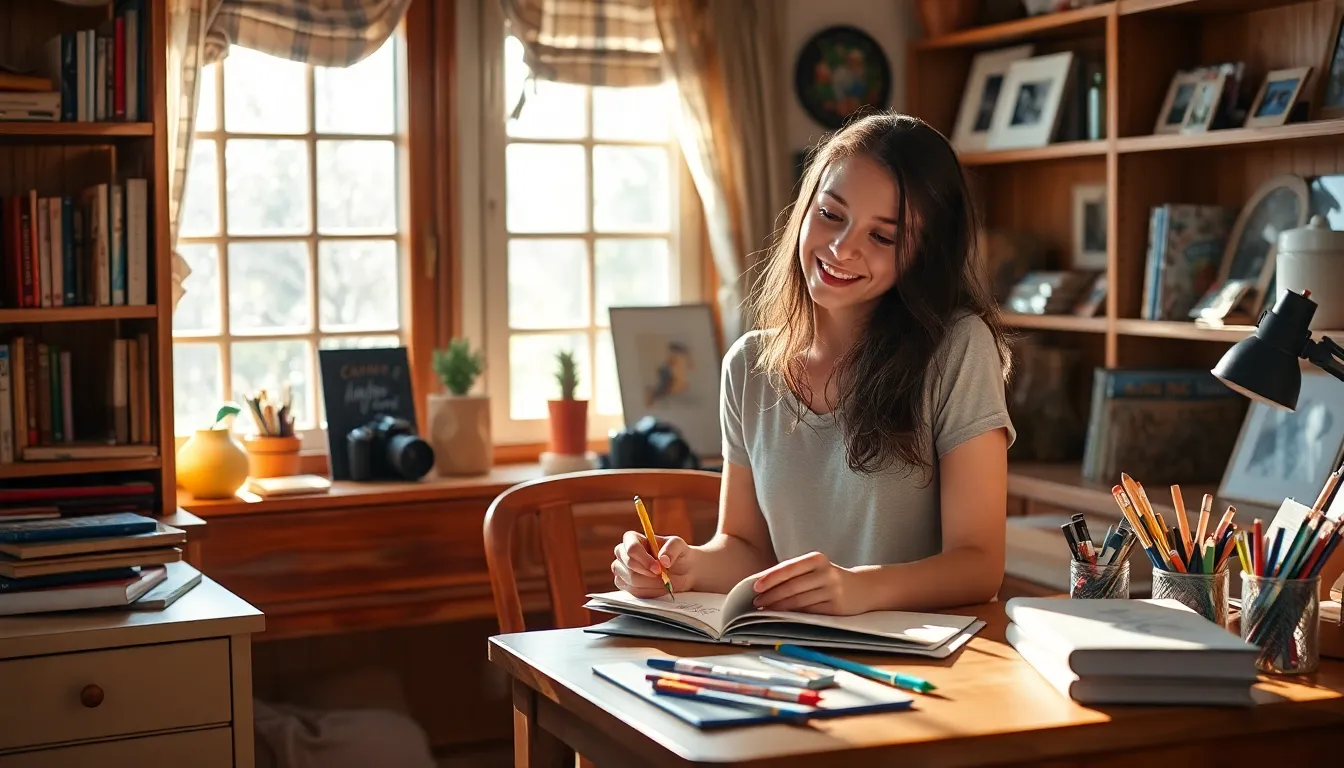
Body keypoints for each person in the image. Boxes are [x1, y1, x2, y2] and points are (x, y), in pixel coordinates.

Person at [610, 112, 1016, 615]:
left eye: (882, 237)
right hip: (795, 658)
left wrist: (858, 589)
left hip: (924, 668)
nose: (843, 247)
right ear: (805, 210)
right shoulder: (748, 366)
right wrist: (682, 565)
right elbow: (747, 548)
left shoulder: (958, 349)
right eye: (831, 214)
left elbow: (978, 565)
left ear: (922, 256)